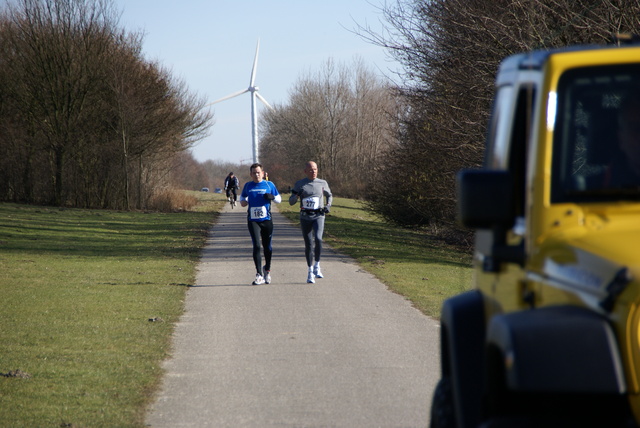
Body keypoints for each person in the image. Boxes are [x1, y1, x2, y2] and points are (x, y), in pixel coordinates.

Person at [289, 161, 332, 283]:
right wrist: (297, 195)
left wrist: (328, 205)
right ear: (305, 171)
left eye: (315, 169)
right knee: (308, 244)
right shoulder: (300, 184)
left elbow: (330, 195)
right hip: (305, 217)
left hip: (319, 215)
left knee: (318, 239)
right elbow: (291, 202)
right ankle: (309, 271)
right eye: (311, 170)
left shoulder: (322, 183)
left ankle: (317, 266)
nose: (313, 171)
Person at [240, 163, 281, 285]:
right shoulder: (248, 186)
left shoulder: (269, 184)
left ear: (262, 173)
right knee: (257, 246)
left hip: (267, 220)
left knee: (267, 247)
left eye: (258, 172)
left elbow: (279, 199)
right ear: (251, 174)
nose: (256, 174)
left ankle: (267, 269)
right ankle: (259, 274)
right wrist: (244, 201)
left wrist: (272, 197)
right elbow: (242, 199)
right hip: (253, 220)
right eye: (254, 173)